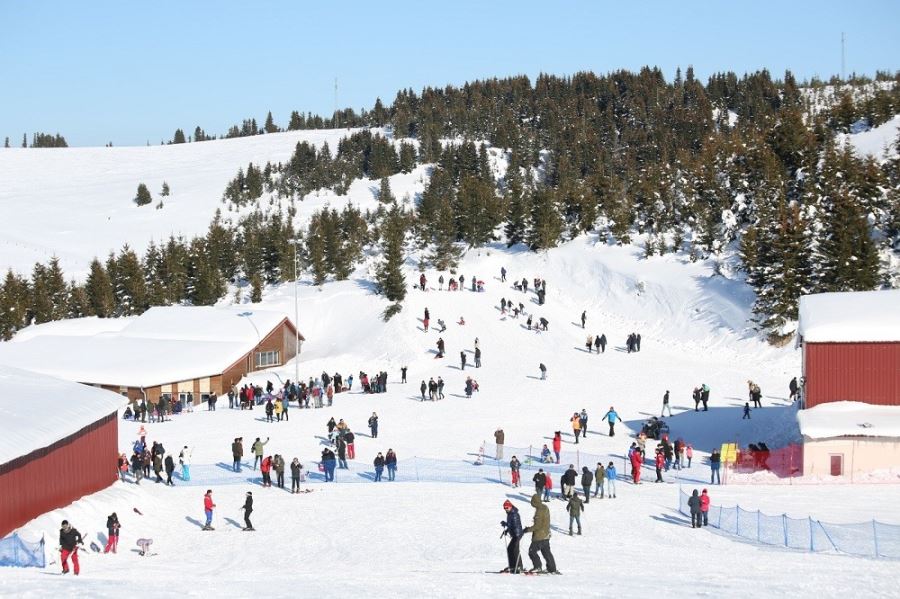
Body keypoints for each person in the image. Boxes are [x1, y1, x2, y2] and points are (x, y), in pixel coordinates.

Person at [523, 494, 559, 574]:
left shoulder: (539, 511)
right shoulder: (544, 507)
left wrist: (527, 529)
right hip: (546, 534)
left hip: (540, 536)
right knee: (546, 552)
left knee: (532, 551)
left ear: (534, 502)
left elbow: (537, 526)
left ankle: (537, 567)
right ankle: (552, 568)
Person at [500, 500, 523, 573]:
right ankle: (512, 566)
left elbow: (515, 525)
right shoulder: (510, 513)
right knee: (510, 549)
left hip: (517, 534)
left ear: (510, 506)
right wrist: (506, 528)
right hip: (514, 535)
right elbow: (511, 524)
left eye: (507, 507)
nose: (506, 509)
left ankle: (519, 566)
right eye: (504, 508)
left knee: (514, 550)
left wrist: (508, 526)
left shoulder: (514, 514)